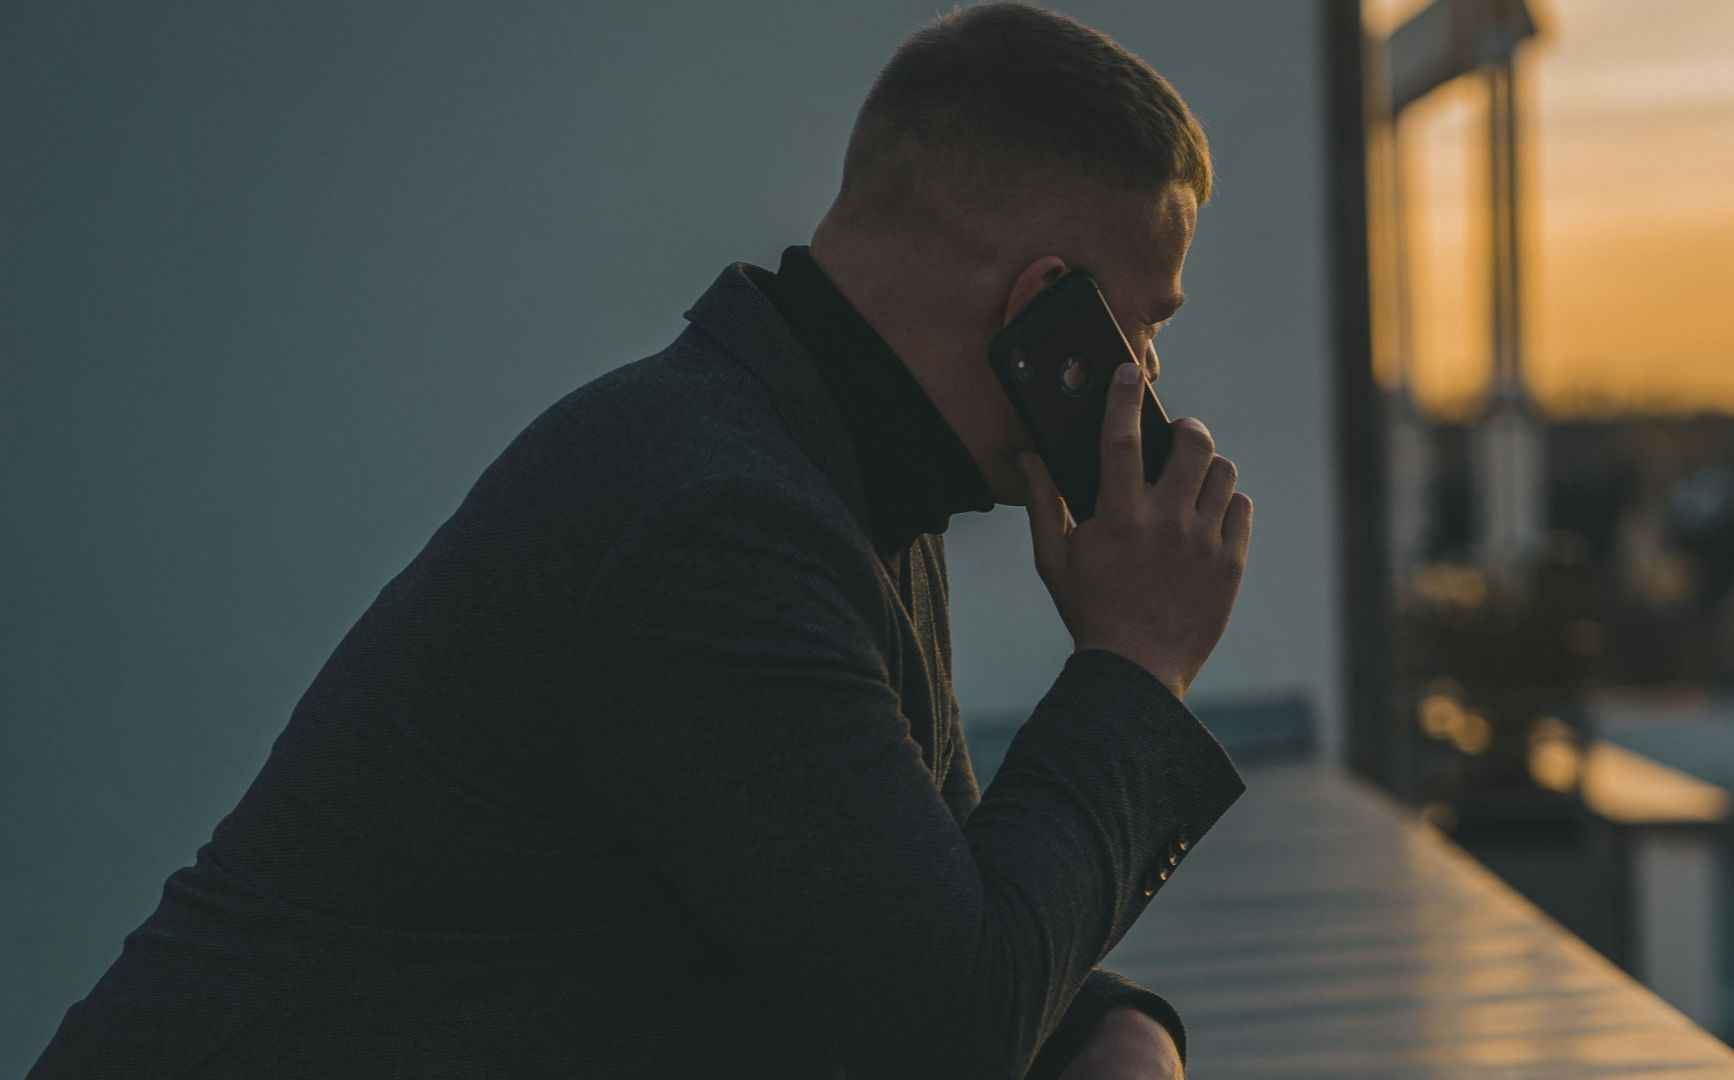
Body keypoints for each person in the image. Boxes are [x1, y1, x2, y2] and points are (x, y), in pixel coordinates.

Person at [29, 3, 1253, 1077]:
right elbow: (941, 1023)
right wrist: (1135, 666)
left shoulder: (826, 478)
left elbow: (907, 904)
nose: (1142, 385)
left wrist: (1116, 1027)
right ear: (1040, 303)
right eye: (1137, 331)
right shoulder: (710, 519)